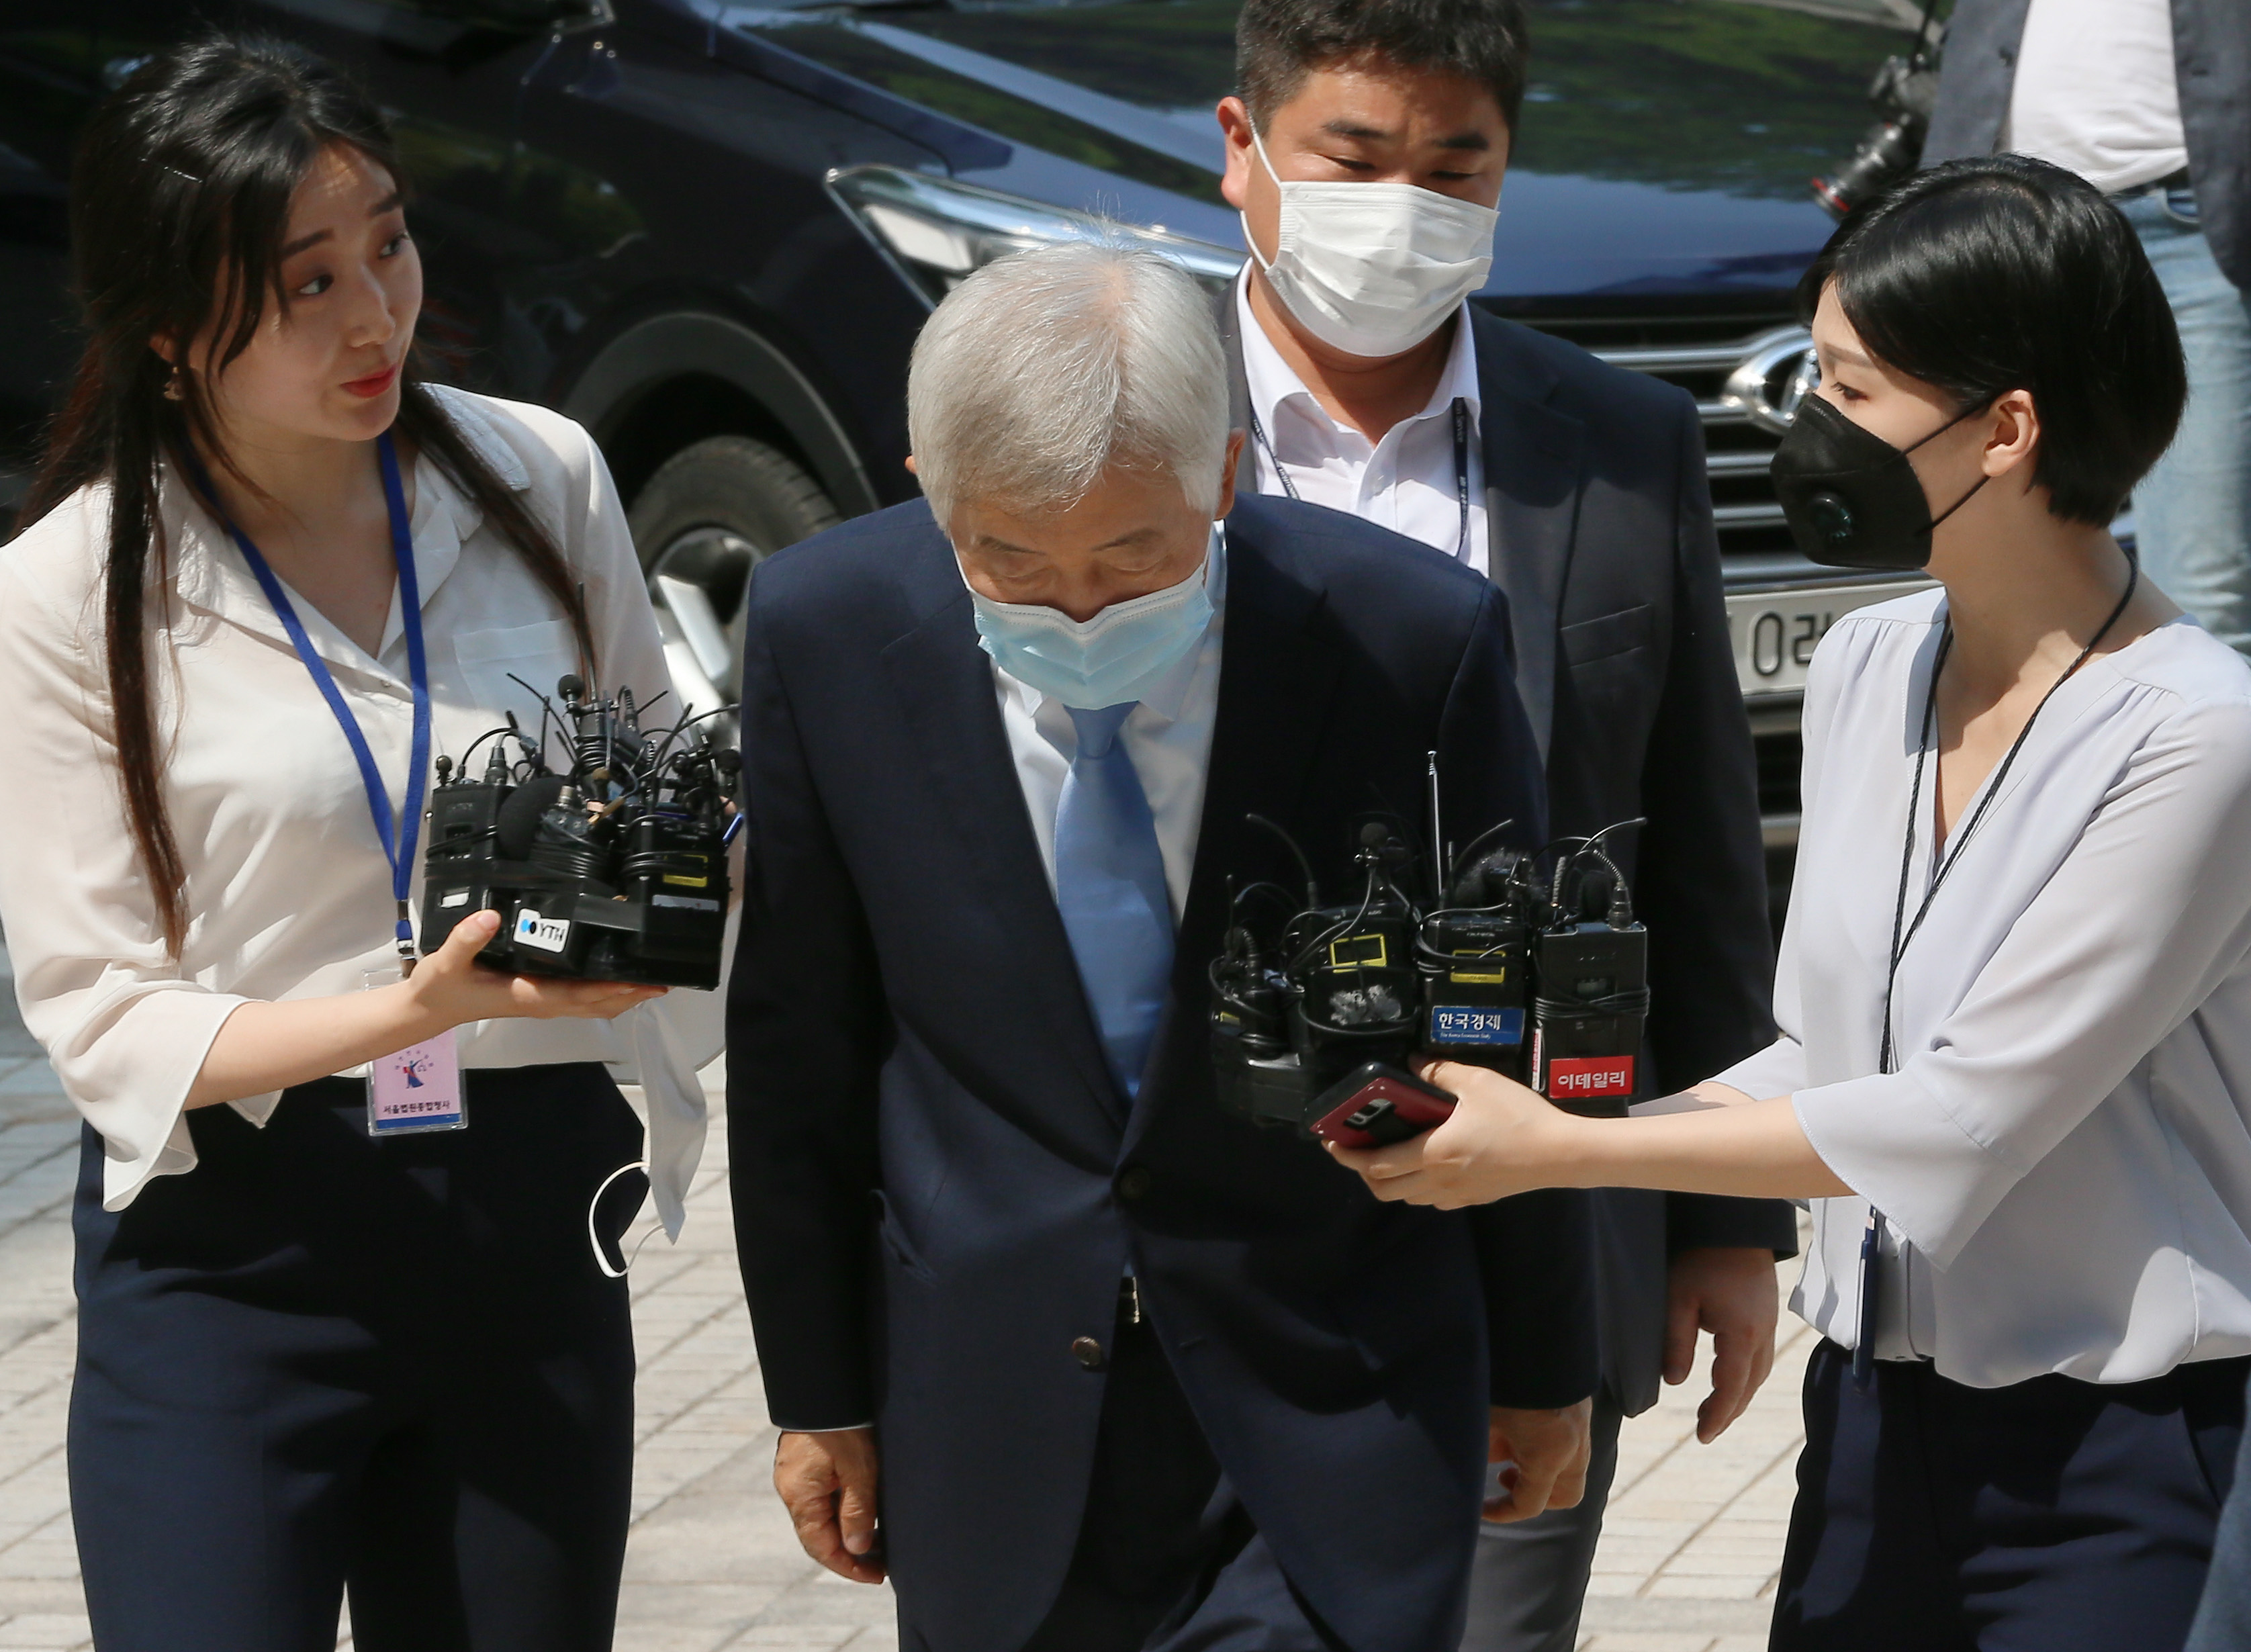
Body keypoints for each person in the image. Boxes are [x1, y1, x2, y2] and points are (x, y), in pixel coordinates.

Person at [1334, 154, 2251, 1652]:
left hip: (2121, 1462)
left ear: (2006, 429)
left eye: (1846, 386)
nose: (1802, 424)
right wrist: (1523, 1126)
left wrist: (1558, 1152)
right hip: (1874, 1439)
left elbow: (1961, 1119)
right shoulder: (1866, 667)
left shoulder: (2191, 733)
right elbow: (1828, 1054)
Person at [724, 239, 1598, 1652]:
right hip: (990, 1404)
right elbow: (796, 1044)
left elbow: (1502, 1022)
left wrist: (1547, 1362)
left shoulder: (1409, 640)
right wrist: (816, 1394)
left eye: (1133, 561)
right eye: (1009, 561)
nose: (1075, 609)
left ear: (1228, 480)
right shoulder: (827, 630)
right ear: (927, 493)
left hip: (1332, 1386)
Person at [0, 38, 717, 1651]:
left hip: (527, 1218)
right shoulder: (63, 594)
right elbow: (100, 1010)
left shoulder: (539, 473)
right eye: (303, 282)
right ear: (171, 331)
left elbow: (669, 774)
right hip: (236, 1246)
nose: (374, 314)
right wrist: (424, 1007)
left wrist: (694, 877)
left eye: (385, 244)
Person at [1211, 1, 1795, 1643]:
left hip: (1523, 1220)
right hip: (1200, 1213)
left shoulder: (1614, 446)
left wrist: (1722, 1219)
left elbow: (1689, 843)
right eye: (1354, 154)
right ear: (1239, 150)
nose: (1401, 200)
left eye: (1453, 162)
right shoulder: (1124, 413)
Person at [1924, 0, 2250, 653]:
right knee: (1979, 571)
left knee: (2201, 593)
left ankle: (2195, 755)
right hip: (1997, 228)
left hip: (2190, 228)